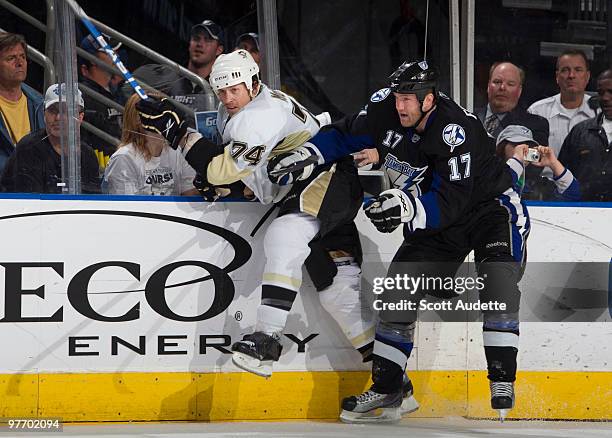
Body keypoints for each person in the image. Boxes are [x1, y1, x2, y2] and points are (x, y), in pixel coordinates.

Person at [131, 50, 420, 413]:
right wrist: (225, 184)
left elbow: (222, 170)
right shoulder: (243, 108)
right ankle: (397, 387)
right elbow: (247, 175)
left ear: (253, 83)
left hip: (325, 180)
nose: (227, 98)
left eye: (234, 89)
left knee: (284, 235)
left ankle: (267, 340)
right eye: (221, 91)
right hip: (321, 187)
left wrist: (179, 135)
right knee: (338, 295)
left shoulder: (258, 117)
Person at [267, 61, 529, 423]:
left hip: (490, 208)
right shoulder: (385, 109)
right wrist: (309, 152)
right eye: (398, 96)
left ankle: (502, 380)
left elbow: (453, 197)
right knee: (398, 290)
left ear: (429, 99)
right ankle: (389, 391)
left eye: (409, 98)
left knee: (498, 283)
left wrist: (406, 205)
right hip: (438, 212)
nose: (400, 105)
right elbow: (345, 133)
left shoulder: (456, 130)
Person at [0, 83, 99, 193]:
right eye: (52, 110)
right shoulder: (28, 149)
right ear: (44, 114)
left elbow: (92, 201)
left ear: (80, 117)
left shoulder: (87, 155)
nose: (58, 117)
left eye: (65, 111)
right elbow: (27, 203)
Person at [102, 93, 197, 196]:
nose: (165, 118)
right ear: (138, 119)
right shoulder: (124, 158)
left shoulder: (178, 150)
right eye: (157, 113)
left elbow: (190, 195)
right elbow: (128, 206)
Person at [527, 50, 596, 178]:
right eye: (565, 70)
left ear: (587, 76)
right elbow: (528, 157)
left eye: (578, 70)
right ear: (557, 77)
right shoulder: (537, 111)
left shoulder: (599, 113)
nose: (571, 75)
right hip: (545, 190)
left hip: (589, 192)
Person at [558, 69, 612, 201]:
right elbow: (562, 174)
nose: (605, 98)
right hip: (581, 213)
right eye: (601, 93)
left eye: (611, 92)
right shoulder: (580, 131)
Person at [496, 125, 580, 201]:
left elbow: (573, 197)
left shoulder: (539, 185)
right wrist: (516, 160)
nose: (524, 149)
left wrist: (553, 163)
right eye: (517, 145)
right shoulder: (488, 178)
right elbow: (500, 189)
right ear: (501, 149)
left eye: (528, 145)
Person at [0, 32, 45, 175]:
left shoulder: (39, 102)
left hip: (33, 186)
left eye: (23, 57)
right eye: (11, 58)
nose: (20, 63)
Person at [476, 61, 549, 145]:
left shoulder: (535, 125)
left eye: (510, 84)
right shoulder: (468, 117)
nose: (502, 87)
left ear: (519, 90)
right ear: (488, 86)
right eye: (497, 82)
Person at [78, 34, 123, 168]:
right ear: (93, 60)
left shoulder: (118, 93)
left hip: (120, 162)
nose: (115, 55)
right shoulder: (83, 96)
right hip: (99, 169)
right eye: (108, 51)